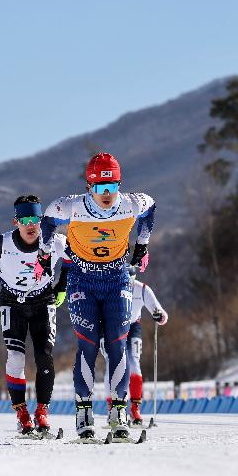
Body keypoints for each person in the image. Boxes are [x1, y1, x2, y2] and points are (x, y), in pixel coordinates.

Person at [38, 152, 156, 441]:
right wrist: (44, 253)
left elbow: (151, 207)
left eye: (112, 186)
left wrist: (142, 245)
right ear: (89, 186)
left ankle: (119, 413)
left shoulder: (130, 203)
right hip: (83, 279)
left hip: (117, 279)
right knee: (88, 344)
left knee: (118, 343)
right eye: (100, 187)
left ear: (119, 185)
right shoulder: (73, 206)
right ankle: (84, 413)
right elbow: (48, 220)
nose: (106, 194)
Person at [0, 195, 68, 437]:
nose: (30, 226)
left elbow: (71, 260)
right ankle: (22, 414)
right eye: (25, 220)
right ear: (15, 222)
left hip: (43, 302)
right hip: (12, 303)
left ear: (42, 220)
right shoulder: (1, 244)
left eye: (35, 220)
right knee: (16, 357)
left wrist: (61, 287)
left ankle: (42, 412)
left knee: (44, 356)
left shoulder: (55, 241)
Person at [99, 266, 168, 425]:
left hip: (132, 327)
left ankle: (135, 409)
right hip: (112, 327)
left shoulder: (142, 289)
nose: (126, 285)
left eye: (129, 281)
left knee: (133, 364)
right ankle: (112, 409)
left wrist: (159, 316)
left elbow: (160, 312)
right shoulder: (108, 287)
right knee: (112, 364)